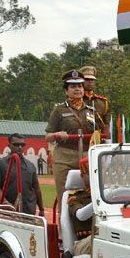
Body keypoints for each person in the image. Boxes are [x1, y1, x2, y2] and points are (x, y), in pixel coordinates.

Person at [45, 70, 96, 205]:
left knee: (90, 195)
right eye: (73, 87)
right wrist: (57, 134)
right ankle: (64, 226)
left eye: (80, 86)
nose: (77, 89)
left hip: (86, 157)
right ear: (66, 91)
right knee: (65, 197)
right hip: (65, 158)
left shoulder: (91, 110)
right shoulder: (59, 110)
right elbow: (47, 136)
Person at [0, 134, 45, 216]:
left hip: (28, 211)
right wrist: (4, 203)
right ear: (9, 146)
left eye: (22, 145)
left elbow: (36, 188)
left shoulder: (30, 166)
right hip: (8, 211)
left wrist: (41, 209)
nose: (20, 147)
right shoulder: (0, 164)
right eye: (16, 144)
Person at [66, 157, 94, 258]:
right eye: (90, 173)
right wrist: (100, 202)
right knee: (103, 237)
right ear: (82, 176)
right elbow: (81, 215)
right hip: (82, 244)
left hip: (100, 238)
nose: (95, 176)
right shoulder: (75, 197)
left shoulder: (107, 193)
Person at [79, 66, 111, 143]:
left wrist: (108, 142)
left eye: (92, 80)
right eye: (87, 79)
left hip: (98, 141)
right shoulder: (75, 100)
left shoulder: (102, 102)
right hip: (80, 140)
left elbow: (106, 125)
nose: (90, 82)